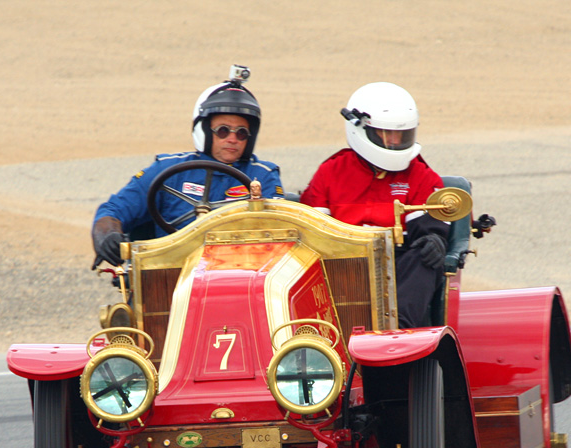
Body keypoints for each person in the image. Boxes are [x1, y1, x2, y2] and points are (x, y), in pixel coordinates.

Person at [92, 66, 284, 268]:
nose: (233, 139)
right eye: (223, 131)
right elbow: (113, 210)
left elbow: (280, 230)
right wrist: (107, 234)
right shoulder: (166, 170)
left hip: (241, 273)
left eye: (242, 133)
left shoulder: (262, 175)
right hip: (170, 276)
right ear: (204, 131)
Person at [300, 82, 449, 328]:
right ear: (360, 129)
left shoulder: (420, 175)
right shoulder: (331, 172)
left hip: (398, 268)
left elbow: (430, 229)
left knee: (425, 256)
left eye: (401, 134)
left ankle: (398, 336)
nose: (394, 140)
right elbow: (311, 235)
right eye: (386, 133)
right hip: (340, 265)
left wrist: (435, 240)